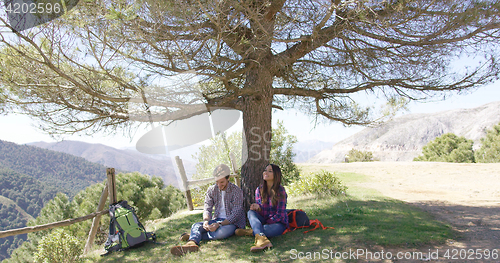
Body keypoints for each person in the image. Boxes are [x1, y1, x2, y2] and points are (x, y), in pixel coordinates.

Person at [170, 164, 246, 256]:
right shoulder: (212, 190)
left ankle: (194, 235)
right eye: (216, 182)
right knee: (196, 225)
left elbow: (236, 214)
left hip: (232, 223)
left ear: (228, 178)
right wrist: (206, 221)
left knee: (221, 233)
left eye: (221, 182)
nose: (219, 185)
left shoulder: (236, 190)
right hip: (216, 220)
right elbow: (207, 207)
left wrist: (219, 224)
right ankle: (192, 243)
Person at [235, 164, 289, 252]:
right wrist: (258, 208)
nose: (266, 172)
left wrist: (266, 223)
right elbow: (262, 211)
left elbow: (280, 214)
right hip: (264, 220)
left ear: (276, 175)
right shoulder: (259, 189)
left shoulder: (280, 190)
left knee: (265, 229)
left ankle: (252, 232)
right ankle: (262, 240)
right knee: (250, 212)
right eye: (265, 170)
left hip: (278, 223)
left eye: (270, 171)